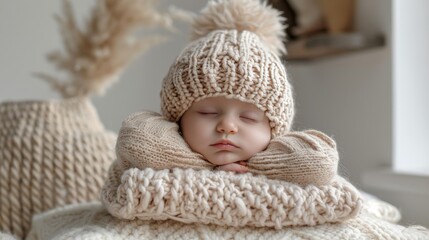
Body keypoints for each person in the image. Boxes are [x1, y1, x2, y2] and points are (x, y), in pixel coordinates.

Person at [115, 0, 339, 186]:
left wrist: (255, 166)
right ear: (178, 119)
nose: (227, 126)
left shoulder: (282, 150)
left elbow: (320, 163)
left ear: (274, 130)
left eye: (248, 117)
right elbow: (135, 140)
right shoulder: (161, 137)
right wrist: (206, 168)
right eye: (207, 112)